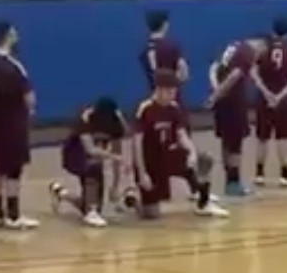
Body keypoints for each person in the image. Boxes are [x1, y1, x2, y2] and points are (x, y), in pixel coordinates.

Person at [134, 72, 229, 218]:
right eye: (170, 92)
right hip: (150, 162)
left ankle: (203, 202)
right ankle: (134, 199)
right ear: (159, 90)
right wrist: (142, 173)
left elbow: (181, 135)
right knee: (151, 214)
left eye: (174, 92)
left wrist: (191, 151)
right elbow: (137, 143)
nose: (173, 95)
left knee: (204, 160)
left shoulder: (174, 108)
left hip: (168, 155)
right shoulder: (145, 109)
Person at [0, 20, 38, 231]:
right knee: (14, 169)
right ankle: (14, 215)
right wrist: (30, 111)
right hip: (14, 122)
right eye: (13, 31)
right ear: (8, 35)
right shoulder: (14, 65)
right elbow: (29, 97)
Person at [48, 97, 131, 227]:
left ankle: (61, 193)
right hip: (75, 154)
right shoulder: (86, 119)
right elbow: (90, 149)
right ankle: (91, 212)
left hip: (96, 157)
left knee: (95, 204)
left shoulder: (116, 124)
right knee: (93, 166)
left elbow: (117, 154)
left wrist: (115, 186)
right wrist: (114, 157)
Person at [253, 18, 287, 186]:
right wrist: (280, 96)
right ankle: (286, 175)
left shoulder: (263, 50)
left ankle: (259, 173)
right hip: (283, 102)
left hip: (263, 100)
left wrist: (267, 93)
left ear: (273, 31)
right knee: (284, 137)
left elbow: (254, 74)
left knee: (262, 137)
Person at [206, 36, 259, 196]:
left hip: (223, 102)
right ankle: (234, 183)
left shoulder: (232, 47)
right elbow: (235, 75)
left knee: (226, 140)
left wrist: (216, 89)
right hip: (234, 102)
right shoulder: (248, 52)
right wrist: (218, 94)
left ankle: (229, 180)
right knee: (236, 143)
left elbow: (214, 67)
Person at [140, 10, 188, 94]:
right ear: (165, 25)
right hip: (173, 95)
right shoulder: (172, 47)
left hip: (155, 96)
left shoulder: (144, 51)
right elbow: (184, 71)